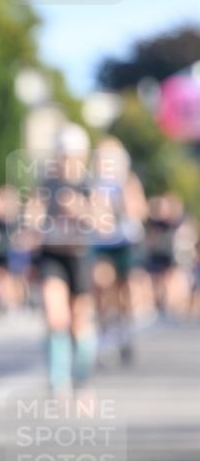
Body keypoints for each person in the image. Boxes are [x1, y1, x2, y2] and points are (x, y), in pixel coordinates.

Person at [27, 124, 97, 395]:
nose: (65, 161)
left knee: (80, 323)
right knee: (56, 316)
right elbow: (33, 212)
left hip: (79, 256)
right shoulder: (48, 184)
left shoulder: (88, 184)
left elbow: (102, 222)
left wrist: (80, 210)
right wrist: (33, 221)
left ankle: (81, 374)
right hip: (52, 255)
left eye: (71, 155)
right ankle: (58, 379)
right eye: (62, 155)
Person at [90, 136, 147, 362]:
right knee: (102, 284)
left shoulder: (128, 181)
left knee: (125, 290)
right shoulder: (95, 183)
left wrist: (123, 202)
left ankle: (124, 330)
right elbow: (91, 213)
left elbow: (139, 210)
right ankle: (105, 333)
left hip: (125, 240)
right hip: (102, 243)